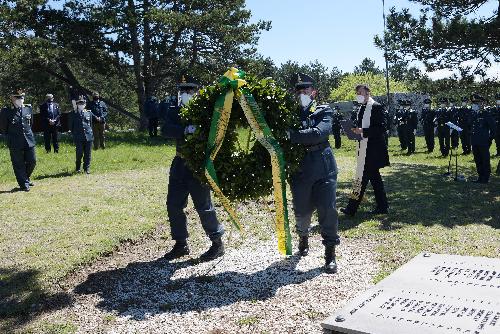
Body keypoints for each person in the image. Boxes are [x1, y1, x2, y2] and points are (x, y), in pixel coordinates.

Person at [162, 75, 225, 262]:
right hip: (180, 163)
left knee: (203, 206)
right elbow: (165, 130)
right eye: (182, 90)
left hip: (198, 164)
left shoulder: (206, 111)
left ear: (197, 91)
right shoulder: (174, 110)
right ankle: (181, 244)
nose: (185, 93)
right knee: (173, 205)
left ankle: (217, 243)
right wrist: (184, 130)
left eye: (189, 90)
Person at [288, 73, 339, 274]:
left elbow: (319, 133)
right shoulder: (289, 114)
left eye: (306, 90)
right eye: (299, 90)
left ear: (314, 92)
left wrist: (291, 135)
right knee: (302, 210)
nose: (302, 93)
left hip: (323, 168)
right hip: (300, 169)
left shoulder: (323, 110)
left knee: (328, 210)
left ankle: (330, 254)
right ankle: (303, 236)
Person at [340, 84, 390, 217]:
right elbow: (360, 126)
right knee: (376, 180)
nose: (359, 95)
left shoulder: (376, 107)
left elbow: (381, 128)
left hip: (373, 151)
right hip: (364, 148)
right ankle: (383, 206)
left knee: (360, 180)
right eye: (357, 93)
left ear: (368, 93)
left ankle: (351, 209)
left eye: (361, 92)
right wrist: (352, 130)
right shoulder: (360, 108)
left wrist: (362, 131)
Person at [0, 89, 37, 191]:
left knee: (32, 161)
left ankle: (25, 178)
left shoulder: (28, 108)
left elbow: (30, 124)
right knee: (18, 163)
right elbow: (3, 129)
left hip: (29, 140)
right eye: (18, 97)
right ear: (12, 98)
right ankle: (24, 184)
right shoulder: (6, 111)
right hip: (15, 141)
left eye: (22, 97)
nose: (20, 99)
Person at [470, 93, 495, 183]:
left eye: (476, 103)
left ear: (481, 103)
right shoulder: (473, 114)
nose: (475, 105)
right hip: (474, 141)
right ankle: (480, 177)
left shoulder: (486, 114)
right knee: (477, 160)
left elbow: (493, 129)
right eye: (474, 103)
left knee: (485, 160)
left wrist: (489, 140)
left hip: (483, 141)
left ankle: (486, 178)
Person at [70, 96, 93, 174]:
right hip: (78, 137)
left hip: (88, 136)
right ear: (77, 104)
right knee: (79, 153)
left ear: (85, 104)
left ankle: (87, 169)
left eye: (83, 103)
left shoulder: (88, 113)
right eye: (80, 103)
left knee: (88, 154)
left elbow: (90, 125)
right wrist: (75, 135)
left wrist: (90, 134)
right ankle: (78, 168)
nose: (81, 104)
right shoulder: (73, 113)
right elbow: (71, 126)